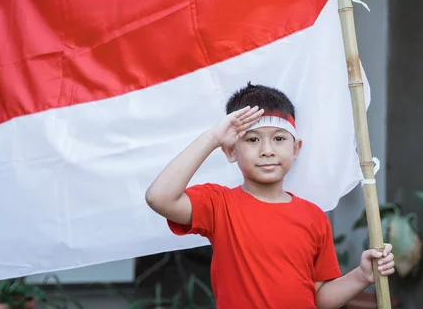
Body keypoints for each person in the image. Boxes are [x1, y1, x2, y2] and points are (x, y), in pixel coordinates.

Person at [146, 83, 395, 308]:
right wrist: (212, 138)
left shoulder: (314, 217)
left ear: (295, 148)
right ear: (231, 151)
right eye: (252, 140)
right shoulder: (219, 205)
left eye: (278, 139)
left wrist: (361, 276)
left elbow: (319, 298)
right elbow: (160, 197)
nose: (267, 150)